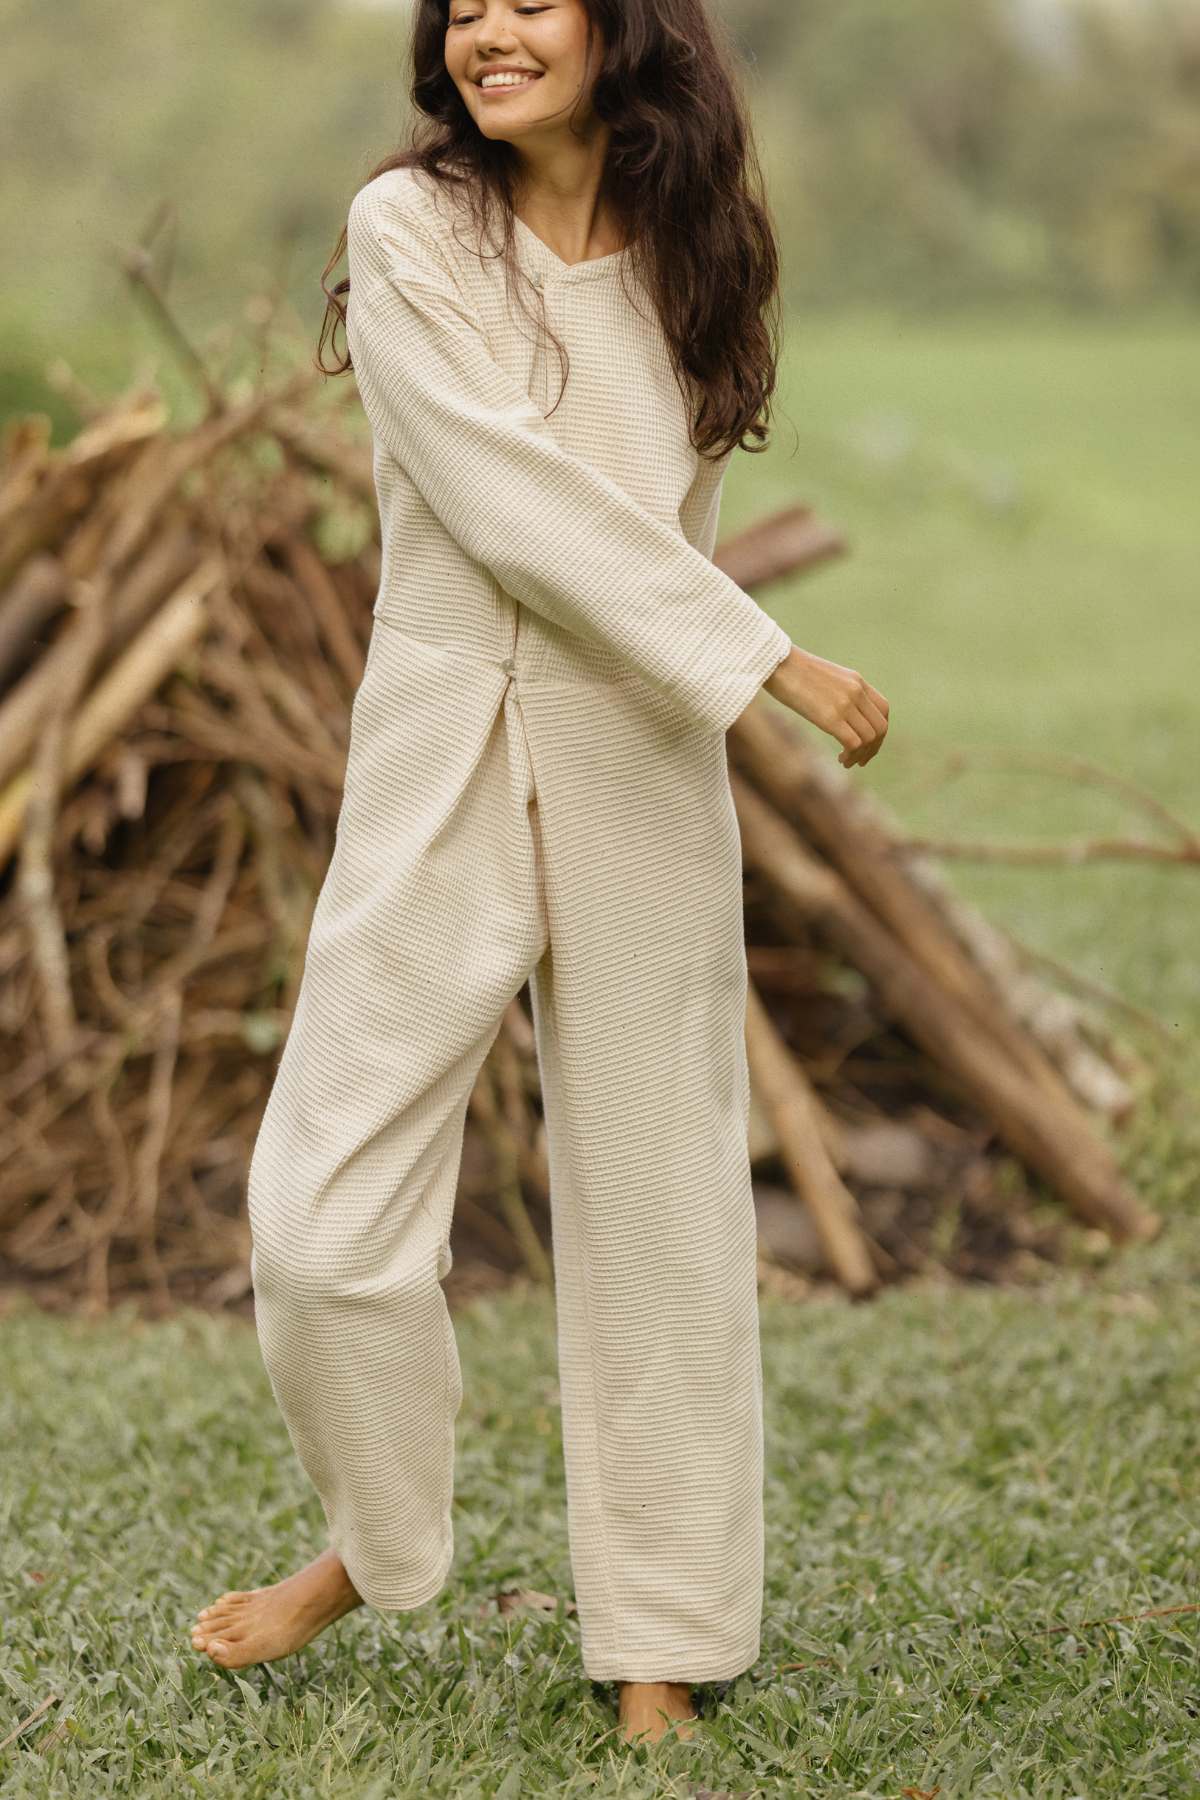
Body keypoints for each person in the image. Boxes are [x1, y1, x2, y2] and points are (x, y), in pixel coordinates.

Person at [190, 0, 888, 1750]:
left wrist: (699, 667)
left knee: (662, 1208)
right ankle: (375, 1534)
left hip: (636, 738)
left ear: (619, 25)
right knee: (320, 1219)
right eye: (465, 7)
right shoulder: (409, 228)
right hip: (446, 720)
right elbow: (510, 500)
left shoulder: (698, 253)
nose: (491, 30)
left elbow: (668, 511)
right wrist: (766, 660)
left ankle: (661, 1636)